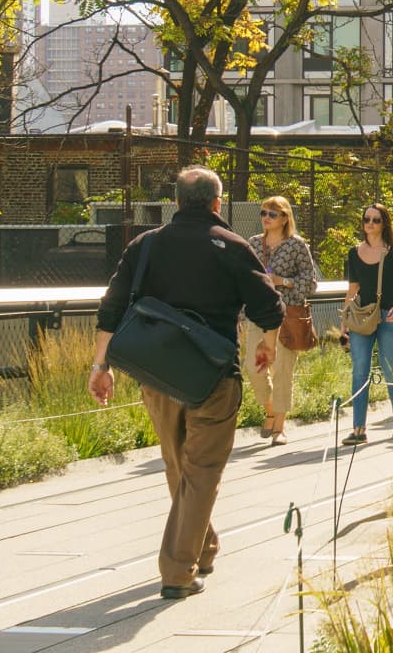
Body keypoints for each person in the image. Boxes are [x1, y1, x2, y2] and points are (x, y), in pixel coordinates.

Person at [89, 164, 284, 600]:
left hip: (157, 375)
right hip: (213, 377)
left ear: (175, 202)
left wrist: (100, 367)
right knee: (200, 473)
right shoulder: (232, 246)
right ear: (217, 203)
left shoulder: (145, 245)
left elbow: (112, 307)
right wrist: (266, 345)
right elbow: (270, 307)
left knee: (179, 467)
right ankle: (177, 572)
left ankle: (204, 547)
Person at [247, 195, 319, 443]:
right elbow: (243, 279)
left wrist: (283, 281)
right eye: (263, 213)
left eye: (272, 214)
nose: (266, 218)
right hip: (258, 314)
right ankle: (270, 410)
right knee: (253, 367)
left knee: (283, 371)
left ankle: (279, 427)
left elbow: (310, 283)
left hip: (287, 315)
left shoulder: (297, 245)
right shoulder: (253, 244)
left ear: (285, 218)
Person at [342, 202, 393, 445]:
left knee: (390, 367)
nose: (370, 224)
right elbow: (352, 290)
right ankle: (358, 428)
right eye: (366, 219)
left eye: (375, 220)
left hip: (389, 315)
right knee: (360, 370)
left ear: (384, 223)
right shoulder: (353, 252)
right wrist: (344, 322)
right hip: (362, 315)